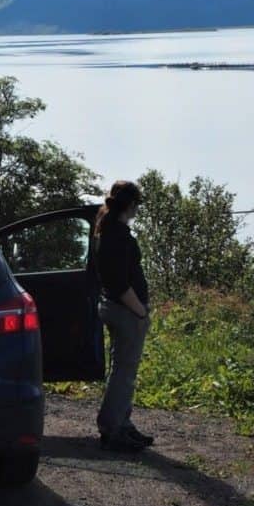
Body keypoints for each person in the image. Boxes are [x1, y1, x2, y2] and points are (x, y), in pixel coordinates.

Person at [91, 180, 154, 453]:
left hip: (116, 307)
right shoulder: (116, 236)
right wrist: (140, 311)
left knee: (123, 370)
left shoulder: (109, 230)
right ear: (130, 205)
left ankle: (122, 423)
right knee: (124, 373)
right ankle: (113, 429)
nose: (138, 209)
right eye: (137, 204)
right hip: (125, 310)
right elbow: (118, 283)